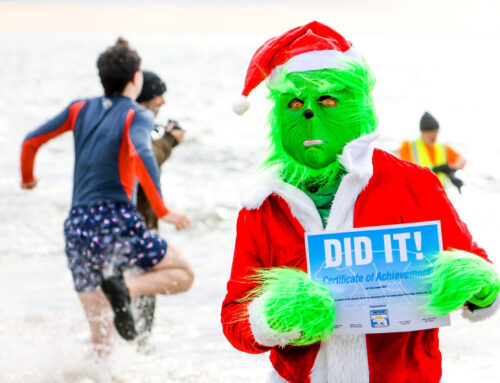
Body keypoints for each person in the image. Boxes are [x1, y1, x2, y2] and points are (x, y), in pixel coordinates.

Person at [221, 22, 499, 382]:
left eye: (327, 100)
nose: (308, 112)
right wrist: (271, 318)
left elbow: (478, 276)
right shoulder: (262, 205)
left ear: (357, 103)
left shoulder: (412, 183)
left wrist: (480, 286)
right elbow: (234, 318)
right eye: (294, 102)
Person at [20, 38, 194, 356]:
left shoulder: (79, 108)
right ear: (135, 79)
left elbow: (31, 141)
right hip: (115, 218)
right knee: (184, 274)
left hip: (77, 226)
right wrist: (163, 210)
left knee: (102, 343)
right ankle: (125, 289)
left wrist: (28, 179)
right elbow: (142, 154)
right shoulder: (137, 115)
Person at [135, 70, 186, 230]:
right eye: (159, 95)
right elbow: (144, 159)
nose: (163, 101)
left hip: (140, 221)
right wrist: (170, 140)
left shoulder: (135, 123)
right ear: (143, 100)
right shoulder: (133, 125)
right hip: (134, 225)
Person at [398, 111, 466, 191]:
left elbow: (462, 161)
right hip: (418, 192)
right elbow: (406, 170)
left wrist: (451, 171)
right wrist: (435, 169)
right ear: (423, 132)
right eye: (432, 133)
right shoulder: (408, 146)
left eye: (436, 132)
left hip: (440, 193)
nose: (435, 135)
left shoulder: (443, 147)